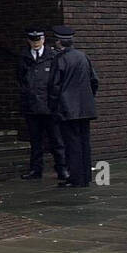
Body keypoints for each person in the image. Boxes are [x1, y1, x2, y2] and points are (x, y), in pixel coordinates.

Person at [47, 25, 99, 188]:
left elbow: (54, 86)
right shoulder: (83, 57)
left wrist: (53, 106)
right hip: (85, 107)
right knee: (84, 142)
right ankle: (85, 176)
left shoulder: (60, 59)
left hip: (67, 108)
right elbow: (94, 80)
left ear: (58, 42)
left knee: (72, 144)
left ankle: (76, 178)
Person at [17, 29, 66, 182]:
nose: (36, 43)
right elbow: (20, 79)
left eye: (38, 40)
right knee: (35, 141)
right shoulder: (24, 57)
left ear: (43, 40)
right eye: (33, 40)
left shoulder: (52, 56)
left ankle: (62, 168)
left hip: (50, 107)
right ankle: (35, 170)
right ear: (28, 41)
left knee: (56, 140)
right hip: (31, 107)